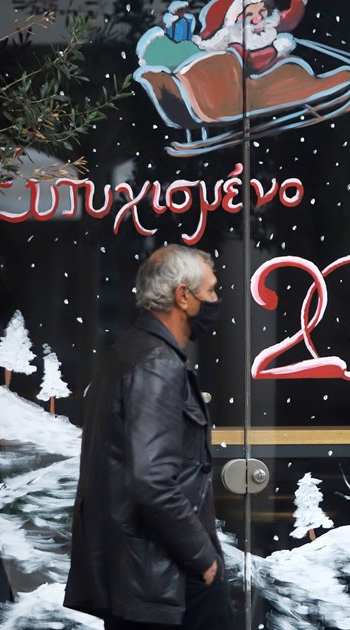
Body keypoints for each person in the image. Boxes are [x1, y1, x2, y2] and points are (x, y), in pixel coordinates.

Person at [65, 245, 228, 630]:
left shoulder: (128, 351)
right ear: (183, 296)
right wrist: (203, 555)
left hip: (141, 573)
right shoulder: (157, 363)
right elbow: (151, 480)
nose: (215, 300)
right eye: (210, 290)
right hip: (164, 576)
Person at [195, 0, 308, 73]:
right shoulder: (233, 38)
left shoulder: (269, 29)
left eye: (262, 11)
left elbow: (289, 19)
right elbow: (252, 62)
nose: (257, 19)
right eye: (249, 14)